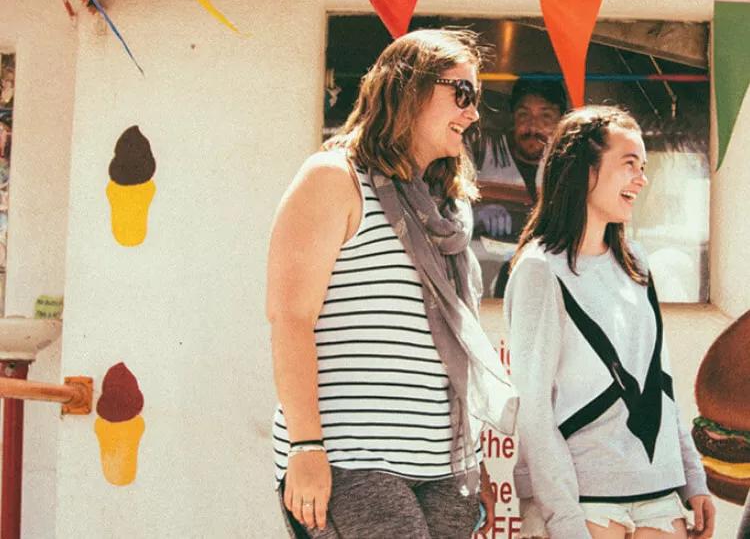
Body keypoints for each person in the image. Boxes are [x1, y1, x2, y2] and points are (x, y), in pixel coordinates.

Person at [267, 29, 518, 538]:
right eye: (462, 93)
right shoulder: (334, 178)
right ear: (409, 89)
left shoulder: (446, 205)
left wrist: (475, 462)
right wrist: (305, 447)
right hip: (351, 457)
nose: (472, 114)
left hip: (447, 467)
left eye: (477, 99)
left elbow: (452, 341)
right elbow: (290, 318)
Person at [503, 105, 716, 539]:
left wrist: (694, 478)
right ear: (585, 171)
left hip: (657, 492)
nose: (641, 179)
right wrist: (562, 520)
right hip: (583, 499)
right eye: (629, 165)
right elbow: (534, 410)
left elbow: (659, 379)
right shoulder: (540, 270)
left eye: (644, 167)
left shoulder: (636, 261)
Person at [468, 79, 566, 297]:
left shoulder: (566, 167)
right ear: (513, 117)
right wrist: (476, 214)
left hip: (546, 288)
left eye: (545, 116)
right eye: (524, 115)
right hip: (481, 290)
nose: (532, 127)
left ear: (561, 121)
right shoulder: (483, 151)